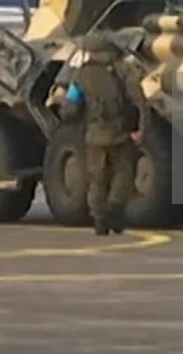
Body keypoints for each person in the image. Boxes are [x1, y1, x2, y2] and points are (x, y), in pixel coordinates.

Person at [59, 35, 143, 235]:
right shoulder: (123, 70)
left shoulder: (80, 76)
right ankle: (114, 210)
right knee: (122, 174)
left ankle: (99, 219)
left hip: (94, 135)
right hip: (120, 133)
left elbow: (69, 109)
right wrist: (139, 128)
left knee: (97, 178)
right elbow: (139, 101)